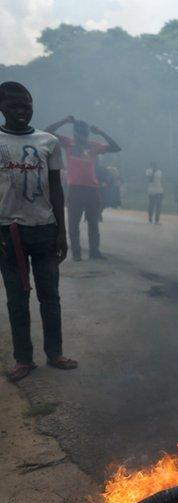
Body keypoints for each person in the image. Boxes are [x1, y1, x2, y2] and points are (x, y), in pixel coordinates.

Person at [0, 82, 79, 381]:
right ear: (2, 108)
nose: (21, 110)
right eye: (13, 105)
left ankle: (54, 353)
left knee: (50, 296)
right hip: (9, 235)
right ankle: (23, 359)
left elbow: (56, 188)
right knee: (16, 300)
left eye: (26, 105)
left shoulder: (49, 141)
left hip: (45, 230)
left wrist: (62, 232)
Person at [44, 116, 120, 260]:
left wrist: (101, 132)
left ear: (88, 134)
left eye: (85, 134)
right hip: (75, 189)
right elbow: (46, 132)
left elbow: (116, 148)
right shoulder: (67, 143)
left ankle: (94, 252)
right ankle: (77, 253)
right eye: (80, 134)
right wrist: (63, 121)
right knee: (73, 223)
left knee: (93, 222)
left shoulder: (94, 145)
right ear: (75, 133)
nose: (83, 137)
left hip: (92, 189)